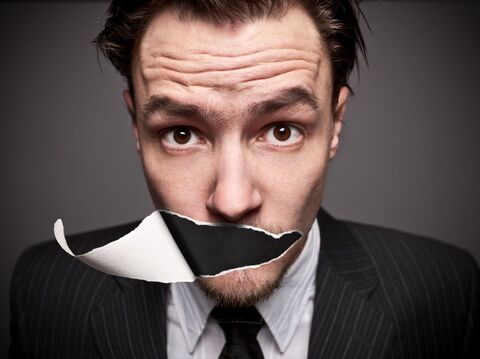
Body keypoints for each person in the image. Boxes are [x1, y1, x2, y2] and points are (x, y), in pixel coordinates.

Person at [9, 0, 479, 358]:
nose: (232, 201)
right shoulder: (49, 290)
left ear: (335, 124)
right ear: (137, 128)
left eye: (280, 130)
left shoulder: (443, 291)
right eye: (182, 133)